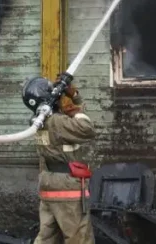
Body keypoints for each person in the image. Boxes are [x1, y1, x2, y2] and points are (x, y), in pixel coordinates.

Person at [23, 75, 97, 244]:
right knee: (79, 238)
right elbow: (88, 129)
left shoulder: (38, 122)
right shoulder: (57, 122)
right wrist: (75, 99)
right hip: (67, 187)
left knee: (48, 238)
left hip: (49, 184)